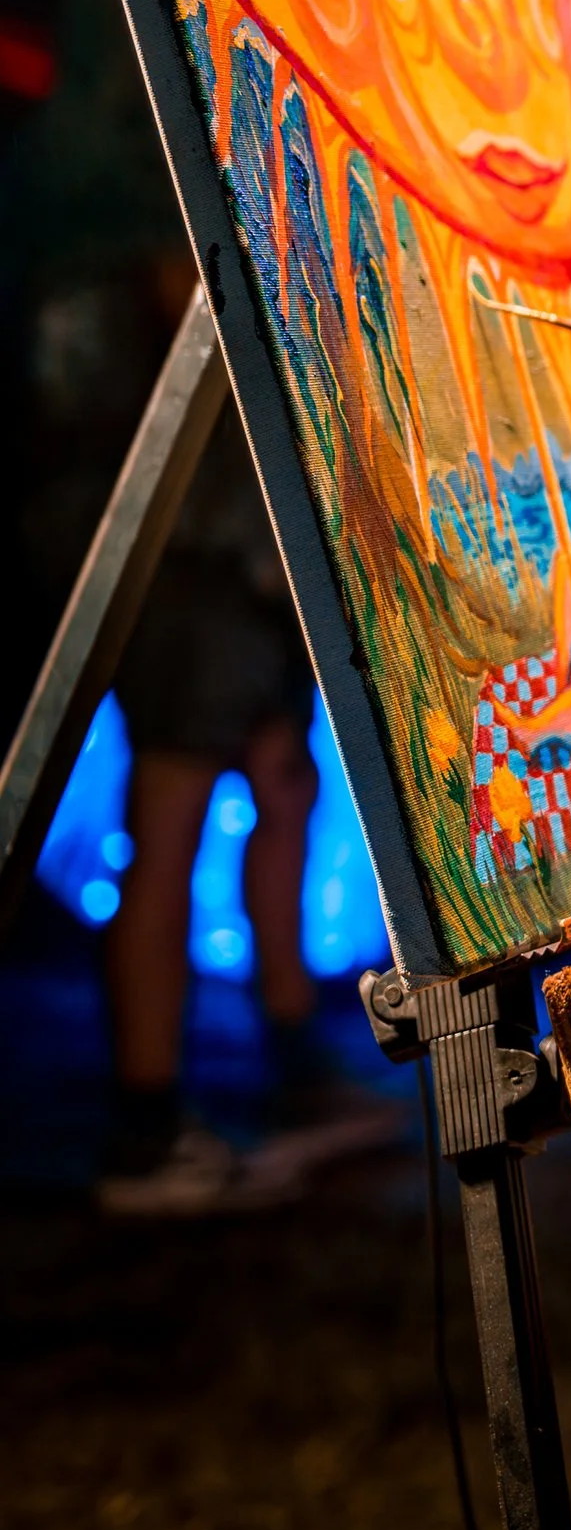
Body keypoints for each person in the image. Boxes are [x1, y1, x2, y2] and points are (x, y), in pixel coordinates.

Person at [93, 412, 364, 1215]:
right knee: (170, 813)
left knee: (284, 785)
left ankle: (297, 1072)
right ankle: (146, 1128)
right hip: (188, 545)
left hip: (258, 553)